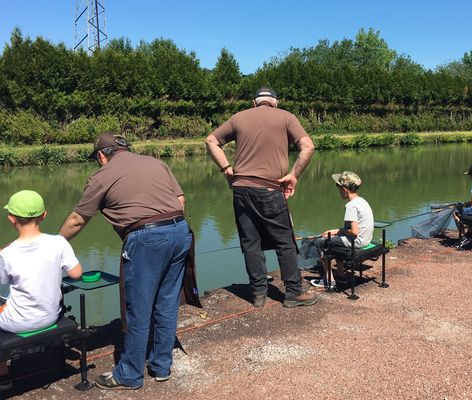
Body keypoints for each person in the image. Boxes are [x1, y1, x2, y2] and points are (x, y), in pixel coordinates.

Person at [58, 132, 193, 390]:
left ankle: (130, 375)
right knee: (166, 302)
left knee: (138, 308)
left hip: (145, 237)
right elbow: (180, 200)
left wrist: (53, 245)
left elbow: (77, 219)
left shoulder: (102, 176)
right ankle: (161, 366)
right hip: (179, 231)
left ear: (101, 155)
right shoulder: (156, 163)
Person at [205, 87, 317, 308]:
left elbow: (210, 141)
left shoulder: (238, 117)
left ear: (254, 102)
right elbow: (308, 146)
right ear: (275, 101)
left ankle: (258, 294)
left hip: (241, 189)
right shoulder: (286, 117)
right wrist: (293, 175)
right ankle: (293, 292)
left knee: (250, 242)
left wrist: (227, 169)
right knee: (284, 241)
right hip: (269, 189)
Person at [0, 190, 83, 390]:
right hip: (50, 316)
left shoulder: (8, 254)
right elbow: (76, 274)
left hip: (17, 324)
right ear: (44, 215)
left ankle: (3, 377)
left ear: (11, 219)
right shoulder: (58, 243)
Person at [309, 171, 374, 289]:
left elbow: (354, 232)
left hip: (357, 242)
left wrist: (338, 232)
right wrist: (335, 231)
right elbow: (350, 229)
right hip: (366, 240)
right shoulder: (362, 201)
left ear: (344, 189)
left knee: (319, 243)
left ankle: (329, 280)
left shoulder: (351, 206)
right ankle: (341, 275)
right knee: (334, 239)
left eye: (338, 187)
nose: (337, 189)